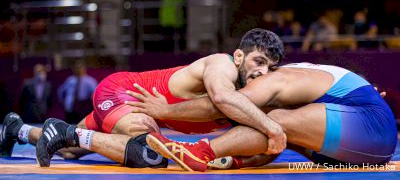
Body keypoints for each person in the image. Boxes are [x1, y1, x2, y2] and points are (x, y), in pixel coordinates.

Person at [1, 28, 286, 168]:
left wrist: (240, 161)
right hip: (125, 93)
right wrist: (272, 126)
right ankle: (64, 131)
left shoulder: (250, 95)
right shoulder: (221, 65)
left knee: (68, 150)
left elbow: (257, 147)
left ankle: (16, 130)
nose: (262, 72)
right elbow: (221, 100)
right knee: (149, 153)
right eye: (258, 61)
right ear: (239, 56)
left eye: (270, 68)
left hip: (131, 106)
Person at [142, 62, 397, 171]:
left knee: (271, 120)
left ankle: (200, 151)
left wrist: (164, 111)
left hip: (371, 132)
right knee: (269, 125)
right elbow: (275, 145)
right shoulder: (301, 78)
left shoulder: (281, 78)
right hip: (352, 150)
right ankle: (233, 161)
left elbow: (223, 102)